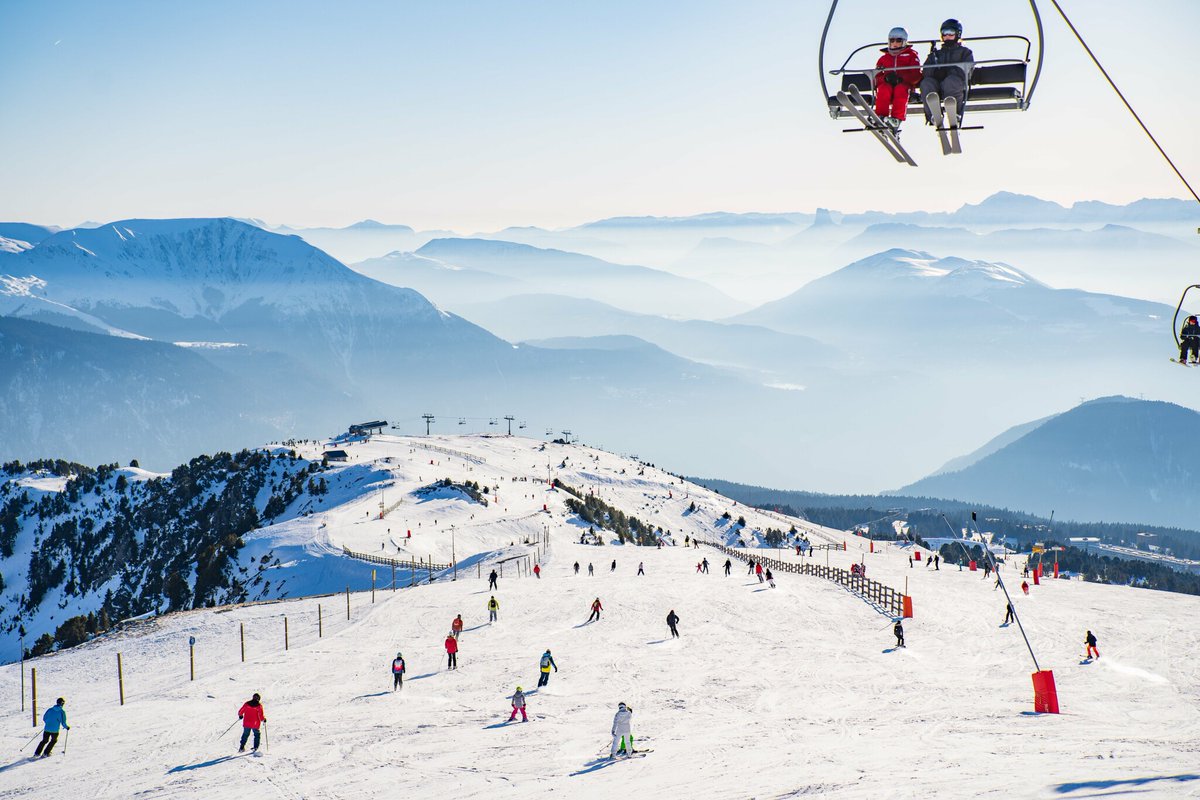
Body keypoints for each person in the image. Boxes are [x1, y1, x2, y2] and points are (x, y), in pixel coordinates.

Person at [920, 18, 974, 122]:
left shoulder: (965, 52)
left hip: (955, 83)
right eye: (945, 33)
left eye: (951, 33)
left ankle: (955, 113)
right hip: (938, 84)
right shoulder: (936, 54)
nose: (947, 36)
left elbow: (967, 69)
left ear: (958, 34)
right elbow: (926, 70)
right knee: (926, 83)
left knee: (951, 81)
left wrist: (948, 72)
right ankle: (933, 115)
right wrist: (934, 72)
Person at [873, 27, 922, 132]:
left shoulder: (911, 55)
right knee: (883, 88)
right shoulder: (884, 58)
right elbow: (876, 77)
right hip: (888, 86)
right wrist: (885, 78)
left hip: (904, 86)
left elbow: (916, 75)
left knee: (900, 89)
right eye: (892, 40)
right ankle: (881, 117)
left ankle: (896, 119)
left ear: (904, 41)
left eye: (898, 40)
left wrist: (902, 79)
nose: (895, 43)